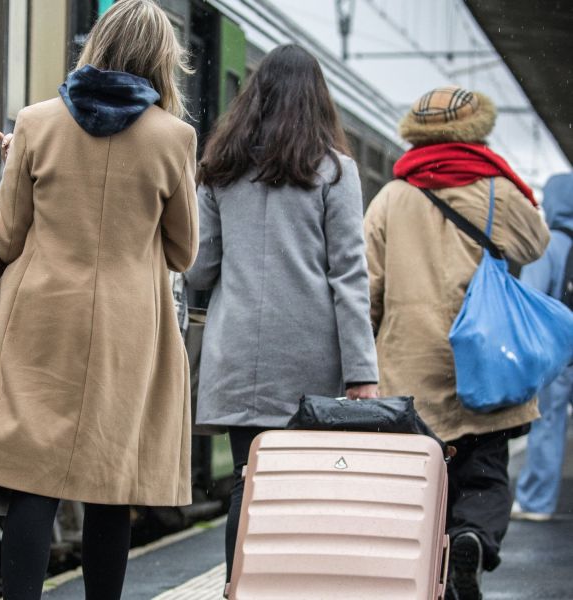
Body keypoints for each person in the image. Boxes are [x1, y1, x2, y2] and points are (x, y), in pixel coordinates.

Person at [0, 2, 197, 598]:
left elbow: (8, 235)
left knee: (33, 480)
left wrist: (12, 163)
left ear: (95, 44)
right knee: (108, 482)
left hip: (39, 317)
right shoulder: (175, 138)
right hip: (127, 328)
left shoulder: (36, 123)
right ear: (162, 59)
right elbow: (182, 250)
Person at [185, 44, 380, 592]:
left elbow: (200, 270)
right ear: (318, 100)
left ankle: (237, 586)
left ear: (255, 96)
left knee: (250, 484)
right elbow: (349, 276)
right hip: (309, 362)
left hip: (238, 355)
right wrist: (362, 370)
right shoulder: (335, 172)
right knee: (306, 491)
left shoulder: (220, 169)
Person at [364, 86, 550, 600]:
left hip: (410, 361)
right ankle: (472, 536)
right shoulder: (496, 188)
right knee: (485, 471)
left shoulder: (392, 196)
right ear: (475, 130)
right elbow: (535, 243)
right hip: (486, 355)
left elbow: (368, 288)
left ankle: (433, 570)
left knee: (423, 480)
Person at [512, 173, 573, 521]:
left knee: (548, 422)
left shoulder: (548, 244)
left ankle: (537, 502)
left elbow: (530, 300)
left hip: (558, 355)